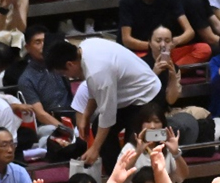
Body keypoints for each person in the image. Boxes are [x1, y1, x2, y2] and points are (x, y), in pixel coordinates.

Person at [48, 38, 162, 173]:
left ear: (70, 64)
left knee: (133, 143)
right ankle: (115, 175)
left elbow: (107, 115)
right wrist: (86, 115)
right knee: (98, 128)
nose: (67, 77)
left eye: (64, 73)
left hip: (147, 93)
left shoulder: (97, 71)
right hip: (129, 95)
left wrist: (95, 149)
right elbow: (95, 89)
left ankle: (138, 180)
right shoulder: (86, 46)